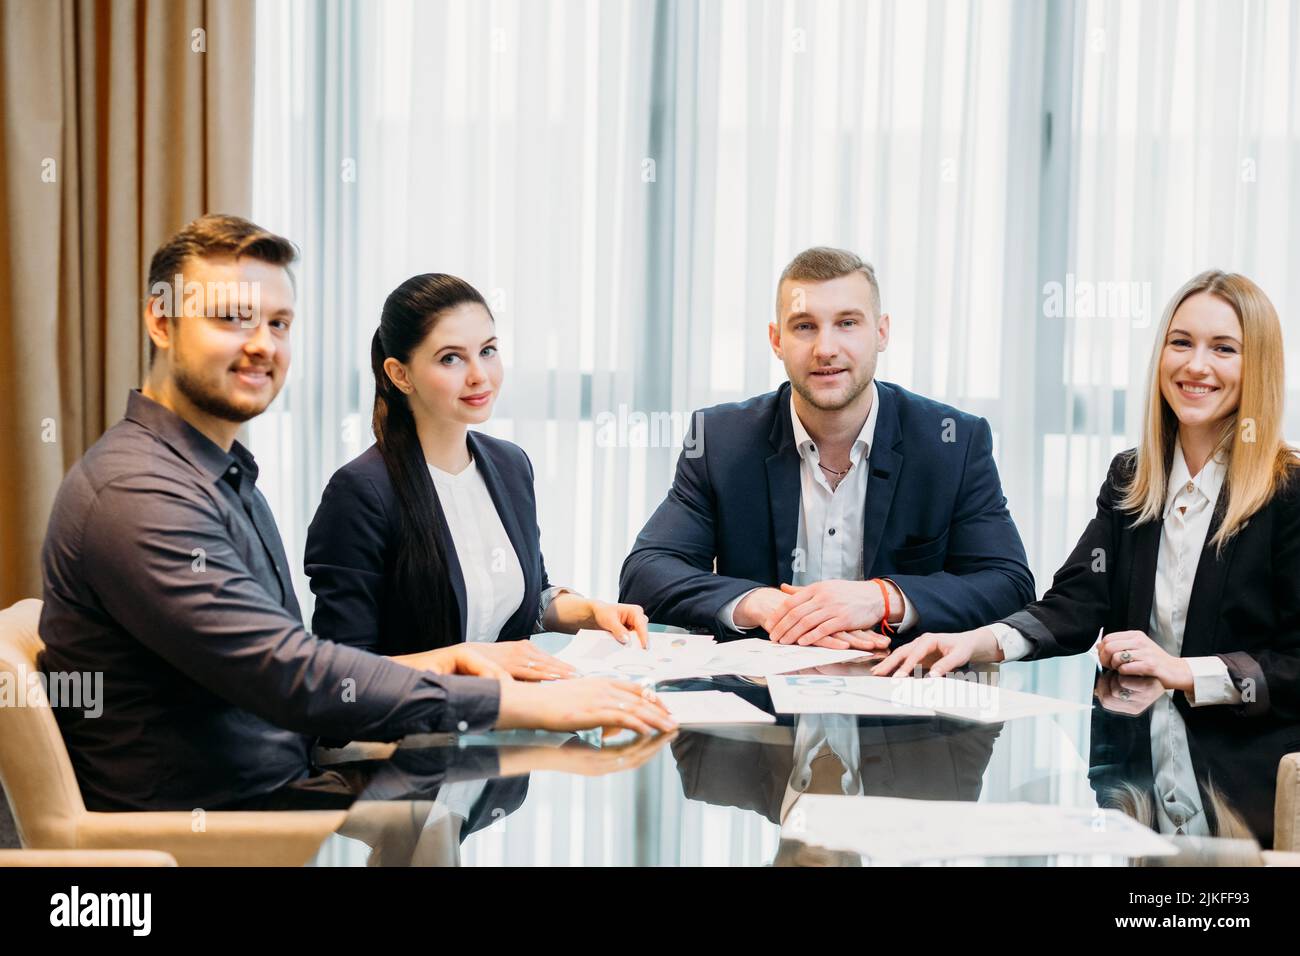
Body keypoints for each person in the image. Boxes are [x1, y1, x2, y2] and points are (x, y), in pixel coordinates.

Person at [37, 214, 675, 812]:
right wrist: (513, 700)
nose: (262, 345)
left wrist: (453, 661)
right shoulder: (141, 492)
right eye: (234, 318)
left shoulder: (218, 475)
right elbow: (295, 679)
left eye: (280, 324)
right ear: (162, 321)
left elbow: (287, 661)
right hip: (222, 827)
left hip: (288, 783)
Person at [874, 270, 1300, 846]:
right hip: (1134, 785)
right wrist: (975, 641)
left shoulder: (1287, 492)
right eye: (1181, 342)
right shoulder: (1132, 476)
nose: (1196, 366)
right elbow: (1073, 605)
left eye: (1224, 348)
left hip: (1252, 799)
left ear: (1260, 367)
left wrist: (1187, 672)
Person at [619, 246, 1034, 648]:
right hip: (757, 701)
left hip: (905, 694)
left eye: (847, 323)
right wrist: (767, 605)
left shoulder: (952, 442)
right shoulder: (720, 439)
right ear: (776, 339)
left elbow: (1008, 584)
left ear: (882, 332)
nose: (826, 349)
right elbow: (646, 574)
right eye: (804, 326)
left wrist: (882, 599)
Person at [305, 273, 649, 676]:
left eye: (487, 351)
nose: (479, 376)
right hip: (408, 729)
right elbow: (343, 674)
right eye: (451, 358)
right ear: (400, 375)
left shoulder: (510, 465)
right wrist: (470, 662)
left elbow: (530, 598)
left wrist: (590, 611)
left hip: (504, 712)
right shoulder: (361, 491)